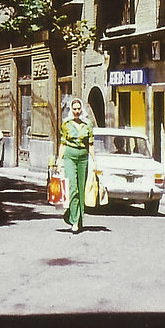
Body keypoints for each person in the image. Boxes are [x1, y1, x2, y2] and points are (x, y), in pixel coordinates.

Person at [56, 98, 94, 234]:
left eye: (79, 109)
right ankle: (74, 220)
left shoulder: (87, 124)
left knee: (81, 189)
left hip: (83, 158)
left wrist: (95, 162)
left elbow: (90, 144)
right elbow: (63, 144)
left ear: (81, 109)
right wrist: (59, 162)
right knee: (73, 188)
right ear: (71, 110)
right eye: (74, 109)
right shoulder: (66, 124)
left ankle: (79, 219)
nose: (77, 111)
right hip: (70, 157)